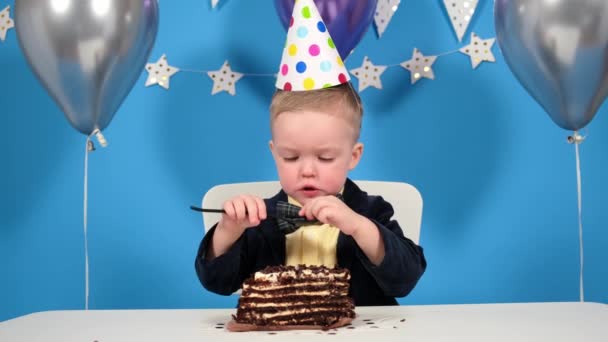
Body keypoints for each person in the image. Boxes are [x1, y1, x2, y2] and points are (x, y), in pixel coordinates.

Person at [194, 82, 426, 306]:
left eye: (325, 158)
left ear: (353, 156)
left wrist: (358, 226)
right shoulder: (258, 220)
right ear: (275, 154)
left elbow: (405, 280)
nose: (307, 171)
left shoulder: (371, 211)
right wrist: (228, 231)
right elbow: (217, 283)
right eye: (291, 157)